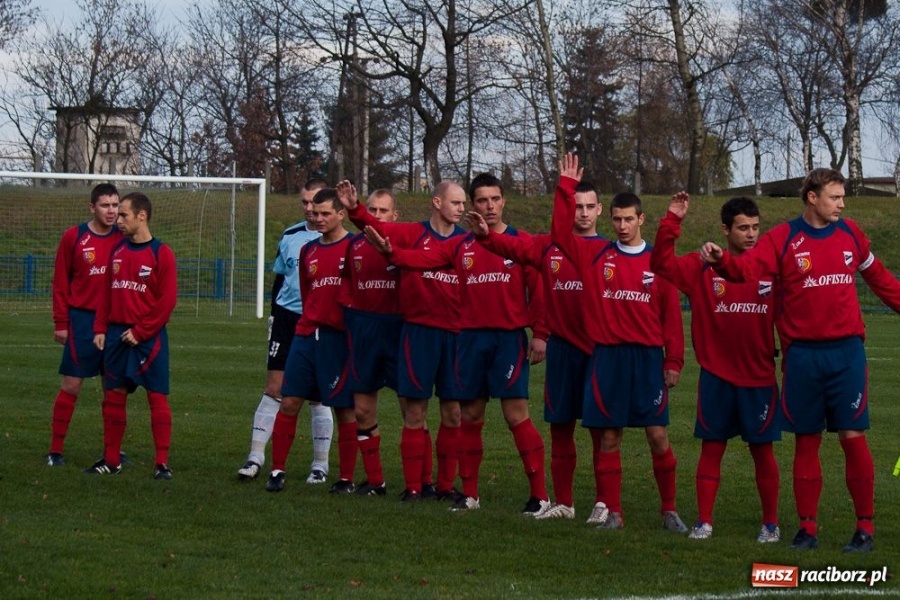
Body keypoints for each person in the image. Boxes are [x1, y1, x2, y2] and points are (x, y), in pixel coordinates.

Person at [700, 168, 900, 553]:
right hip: (803, 357)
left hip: (846, 355)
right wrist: (723, 261)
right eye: (835, 197)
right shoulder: (783, 238)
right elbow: (745, 269)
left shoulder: (851, 235)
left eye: (842, 197)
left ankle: (865, 529)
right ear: (812, 197)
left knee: (852, 437)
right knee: (805, 442)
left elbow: (881, 280)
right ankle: (807, 529)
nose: (842, 204)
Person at [367, 172, 550, 514]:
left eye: (494, 199)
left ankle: (539, 495)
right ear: (473, 206)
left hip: (507, 340)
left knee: (516, 415)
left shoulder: (519, 241)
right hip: (468, 340)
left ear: (503, 201)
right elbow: (420, 261)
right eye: (481, 200)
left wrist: (540, 333)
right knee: (470, 416)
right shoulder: (461, 245)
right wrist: (392, 253)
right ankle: (470, 495)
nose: (488, 206)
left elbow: (539, 292)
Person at [551, 153, 686, 532]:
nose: (623, 225)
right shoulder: (595, 256)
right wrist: (565, 187)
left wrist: (673, 361)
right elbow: (560, 235)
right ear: (609, 220)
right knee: (609, 436)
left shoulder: (658, 264)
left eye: (629, 219)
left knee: (658, 436)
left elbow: (671, 317)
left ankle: (670, 510)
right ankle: (614, 512)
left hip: (646, 361)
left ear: (641, 219)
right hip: (607, 358)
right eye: (617, 219)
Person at [472, 180, 607, 520]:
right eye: (577, 207)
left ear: (600, 210)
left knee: (602, 430)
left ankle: (606, 503)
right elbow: (511, 248)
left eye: (590, 207)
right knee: (561, 427)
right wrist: (486, 236)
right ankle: (563, 503)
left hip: (599, 351)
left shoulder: (609, 251)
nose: (584, 213)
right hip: (562, 350)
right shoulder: (547, 247)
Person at [651, 193, 781, 542]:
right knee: (711, 448)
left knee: (763, 451)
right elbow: (660, 264)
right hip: (717, 376)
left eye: (755, 227)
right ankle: (704, 521)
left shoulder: (769, 266)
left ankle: (770, 523)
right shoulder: (700, 266)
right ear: (725, 230)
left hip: (759, 377)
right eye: (743, 228)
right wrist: (672, 222)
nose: (751, 234)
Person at [338, 180, 466, 502]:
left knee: (451, 411)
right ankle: (407, 486)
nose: (462, 209)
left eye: (464, 203)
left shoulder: (466, 242)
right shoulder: (410, 234)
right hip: (411, 332)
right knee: (411, 410)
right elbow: (371, 227)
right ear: (437, 202)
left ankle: (440, 486)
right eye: (456, 202)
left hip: (450, 335)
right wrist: (355, 208)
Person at [236, 178, 334, 484]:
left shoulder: (342, 242)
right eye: (304, 203)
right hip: (287, 320)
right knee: (275, 388)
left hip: (321, 323)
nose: (309, 210)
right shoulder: (291, 235)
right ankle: (255, 457)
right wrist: (273, 317)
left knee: (319, 396)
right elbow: (280, 281)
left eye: (315, 204)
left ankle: (320, 465)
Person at [265, 188, 356, 493]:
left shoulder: (354, 247)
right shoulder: (309, 251)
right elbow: (307, 292)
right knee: (289, 400)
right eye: (315, 213)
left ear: (341, 214)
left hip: (338, 339)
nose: (318, 219)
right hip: (305, 335)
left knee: (344, 407)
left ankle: (345, 477)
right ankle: (277, 470)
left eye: (325, 213)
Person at [86, 192, 177, 479]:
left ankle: (161, 463)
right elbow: (105, 295)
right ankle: (111, 460)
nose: (118, 220)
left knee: (157, 398)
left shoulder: (162, 253)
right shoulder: (117, 251)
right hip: (115, 335)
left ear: (142, 216)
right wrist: (100, 328)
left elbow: (167, 302)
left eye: (124, 214)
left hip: (148, 338)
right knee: (113, 397)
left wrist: (140, 332)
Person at [47, 183, 123, 466]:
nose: (111, 211)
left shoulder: (123, 237)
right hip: (82, 320)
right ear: (92, 207)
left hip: (114, 323)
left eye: (115, 205)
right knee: (71, 384)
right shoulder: (74, 237)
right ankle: (56, 450)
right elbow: (60, 282)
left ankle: (112, 452)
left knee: (112, 388)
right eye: (105, 205)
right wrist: (61, 322)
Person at [339, 189, 403, 496]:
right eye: (372, 209)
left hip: (399, 329)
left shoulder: (404, 242)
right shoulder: (354, 246)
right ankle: (376, 481)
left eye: (382, 211)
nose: (376, 216)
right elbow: (348, 285)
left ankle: (422, 484)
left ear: (395, 216)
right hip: (365, 329)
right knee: (362, 410)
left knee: (412, 409)